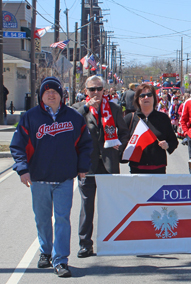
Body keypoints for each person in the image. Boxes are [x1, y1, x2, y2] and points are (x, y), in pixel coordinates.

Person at [10, 77, 93, 277]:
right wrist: (23, 169)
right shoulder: (30, 117)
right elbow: (17, 145)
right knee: (42, 219)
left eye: (54, 91)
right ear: (41, 95)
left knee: (63, 219)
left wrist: (82, 166)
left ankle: (61, 260)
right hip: (39, 179)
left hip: (64, 179)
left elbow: (85, 144)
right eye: (46, 91)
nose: (51, 94)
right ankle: (45, 252)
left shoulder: (74, 117)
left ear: (61, 95)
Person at [72, 76, 129, 259]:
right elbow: (72, 126)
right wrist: (88, 108)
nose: (96, 93)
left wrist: (120, 144)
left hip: (108, 164)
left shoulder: (112, 108)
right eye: (92, 89)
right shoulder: (78, 109)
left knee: (110, 206)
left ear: (104, 90)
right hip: (87, 166)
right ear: (86, 91)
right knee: (87, 206)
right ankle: (85, 244)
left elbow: (124, 131)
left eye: (99, 89)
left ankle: (111, 242)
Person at [124, 84, 178, 173]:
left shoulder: (163, 118)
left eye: (149, 95)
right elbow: (122, 142)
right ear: (137, 99)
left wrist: (167, 145)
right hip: (136, 170)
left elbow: (174, 141)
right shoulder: (130, 118)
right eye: (142, 95)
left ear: (154, 98)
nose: (146, 97)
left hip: (158, 170)